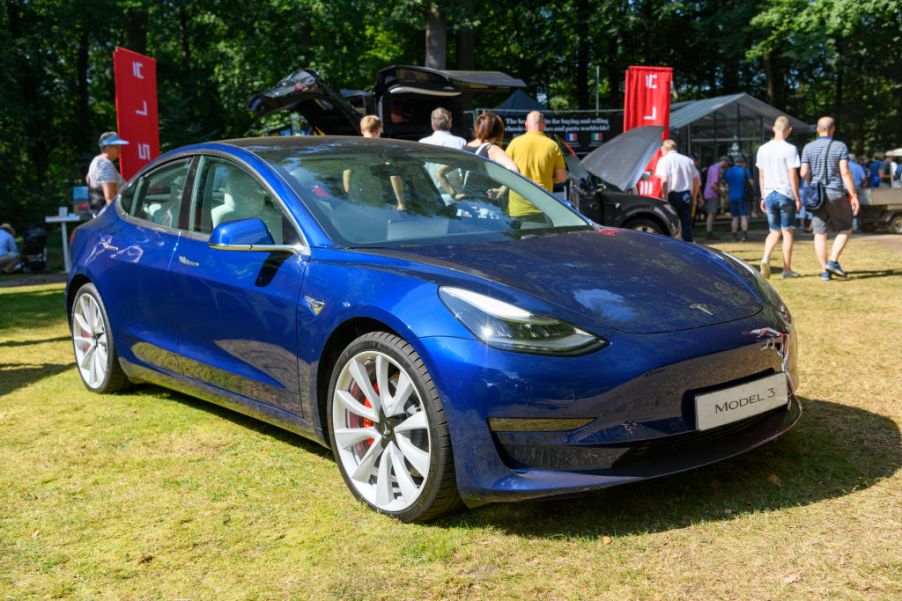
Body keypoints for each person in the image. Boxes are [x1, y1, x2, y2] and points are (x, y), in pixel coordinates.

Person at [800, 116, 859, 281]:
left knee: (819, 233)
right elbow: (845, 172)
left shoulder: (808, 147)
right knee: (846, 227)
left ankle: (825, 272)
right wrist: (853, 195)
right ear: (833, 129)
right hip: (835, 193)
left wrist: (813, 180)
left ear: (818, 129)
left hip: (816, 195)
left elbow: (803, 173)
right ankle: (832, 262)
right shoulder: (840, 146)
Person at [756, 116, 802, 279]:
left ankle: (765, 258)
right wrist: (797, 197)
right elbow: (793, 175)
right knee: (787, 231)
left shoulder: (762, 149)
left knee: (774, 231)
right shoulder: (790, 149)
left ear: (773, 129)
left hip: (768, 193)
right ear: (789, 130)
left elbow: (761, 175)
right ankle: (787, 269)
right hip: (785, 193)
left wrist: (762, 197)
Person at [505, 111, 567, 217]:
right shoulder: (552, 145)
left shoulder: (514, 143)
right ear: (544, 125)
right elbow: (561, 177)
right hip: (543, 206)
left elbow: (504, 171)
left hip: (518, 207)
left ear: (526, 125)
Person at [344, 115, 405, 209]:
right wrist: (400, 202)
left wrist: (349, 192)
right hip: (376, 197)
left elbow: (346, 172)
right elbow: (394, 176)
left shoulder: (353, 149)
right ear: (378, 130)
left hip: (356, 197)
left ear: (362, 131)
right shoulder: (384, 149)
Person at [655, 139, 701, 243]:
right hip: (686, 195)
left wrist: (664, 196)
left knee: (671, 223)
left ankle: (673, 245)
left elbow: (664, 181)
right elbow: (696, 181)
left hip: (672, 195)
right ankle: (688, 245)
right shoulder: (687, 160)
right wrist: (693, 197)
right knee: (686, 224)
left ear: (665, 149)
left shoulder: (664, 160)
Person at [86, 131, 129, 210]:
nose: (120, 150)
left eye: (120, 146)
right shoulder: (105, 165)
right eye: (117, 147)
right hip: (108, 213)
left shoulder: (95, 161)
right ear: (107, 148)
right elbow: (109, 196)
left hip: (100, 212)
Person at [723, 157, 754, 241]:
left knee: (735, 217)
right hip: (742, 196)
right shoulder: (745, 170)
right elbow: (751, 182)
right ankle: (744, 236)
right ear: (742, 162)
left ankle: (734, 236)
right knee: (744, 216)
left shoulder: (728, 172)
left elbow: (726, 185)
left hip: (732, 196)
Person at [702, 156, 729, 240]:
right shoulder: (716, 168)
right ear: (724, 162)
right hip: (711, 194)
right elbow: (713, 184)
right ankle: (708, 232)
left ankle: (709, 232)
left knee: (712, 213)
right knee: (711, 213)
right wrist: (721, 193)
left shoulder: (713, 167)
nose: (727, 166)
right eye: (727, 164)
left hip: (710, 193)